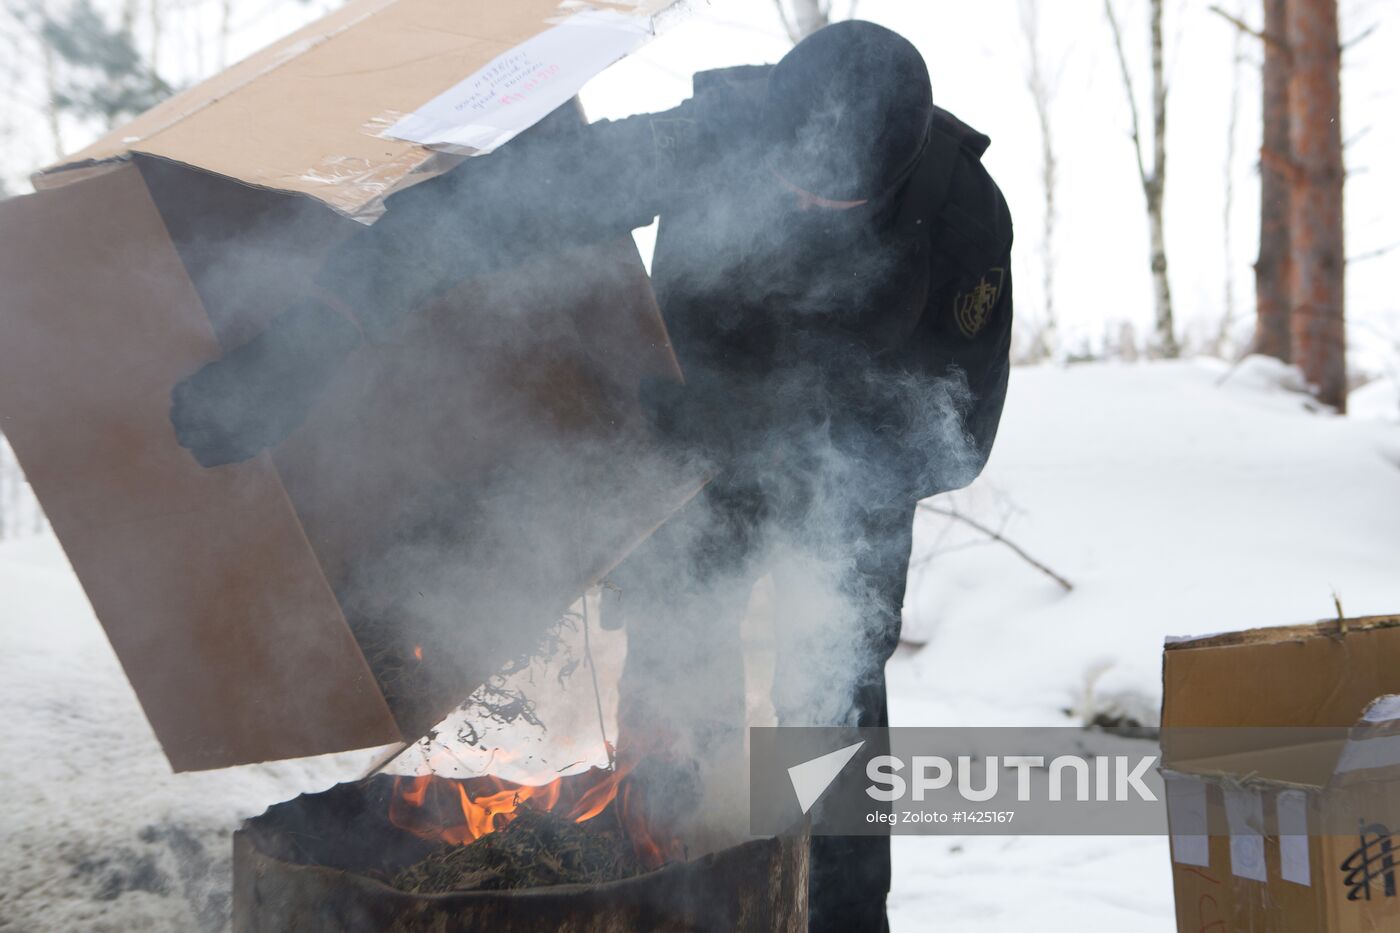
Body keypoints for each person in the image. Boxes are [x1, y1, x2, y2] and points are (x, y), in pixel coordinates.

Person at [171, 20, 1012, 931]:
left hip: (849, 489)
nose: (801, 206)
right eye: (786, 183)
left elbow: (950, 440)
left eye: (828, 200)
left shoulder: (962, 219)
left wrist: (769, 425)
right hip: (694, 460)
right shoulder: (721, 133)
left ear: (888, 183)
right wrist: (313, 337)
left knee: (835, 698)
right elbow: (502, 208)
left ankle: (846, 918)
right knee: (678, 684)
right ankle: (682, 891)